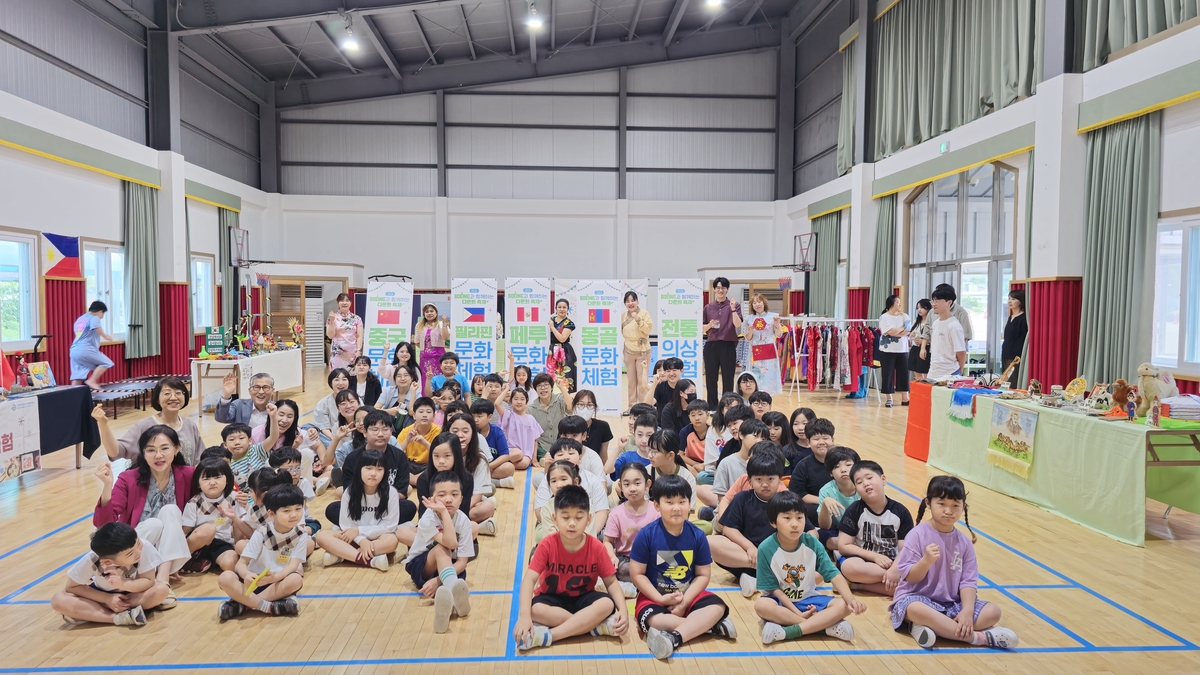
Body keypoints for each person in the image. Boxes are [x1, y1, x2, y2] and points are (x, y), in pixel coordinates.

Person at [890, 475, 1018, 650]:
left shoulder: (964, 542)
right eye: (941, 504)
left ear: (963, 507)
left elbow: (968, 581)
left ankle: (931, 626)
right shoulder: (917, 534)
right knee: (915, 609)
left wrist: (967, 611)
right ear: (928, 503)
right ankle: (977, 638)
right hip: (917, 599)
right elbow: (910, 578)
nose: (948, 511)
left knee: (993, 612)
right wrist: (926, 561)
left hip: (951, 605)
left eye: (955, 505)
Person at [629, 474, 736, 660]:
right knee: (654, 620)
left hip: (688, 595)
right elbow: (636, 574)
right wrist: (661, 599)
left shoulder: (697, 535)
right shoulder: (646, 535)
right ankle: (707, 627)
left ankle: (674, 638)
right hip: (654, 597)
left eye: (682, 501)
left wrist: (685, 601)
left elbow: (703, 575)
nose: (677, 508)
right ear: (657, 505)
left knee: (717, 606)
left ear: (689, 503)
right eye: (669, 502)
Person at [514, 485, 629, 650]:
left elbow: (611, 583)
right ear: (555, 519)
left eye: (579, 517)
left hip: (584, 598)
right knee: (535, 610)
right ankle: (591, 627)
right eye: (565, 517)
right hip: (551, 598)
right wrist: (524, 616)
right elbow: (529, 581)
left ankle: (551, 636)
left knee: (607, 604)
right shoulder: (547, 544)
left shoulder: (596, 547)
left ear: (588, 520)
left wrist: (623, 610)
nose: (572, 523)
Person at [92, 426, 196, 605]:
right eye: (151, 450)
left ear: (176, 449)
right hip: (136, 550)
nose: (158, 455)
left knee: (171, 511)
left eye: (165, 448)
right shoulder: (128, 478)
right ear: (142, 453)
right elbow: (103, 524)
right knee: (154, 524)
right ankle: (148, 581)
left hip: (170, 548)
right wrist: (107, 486)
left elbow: (208, 500)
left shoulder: (188, 474)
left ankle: (163, 580)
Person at [755, 491, 864, 644]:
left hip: (809, 599)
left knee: (844, 606)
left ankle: (788, 631)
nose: (795, 523)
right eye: (787, 518)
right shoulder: (766, 548)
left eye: (799, 517)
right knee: (762, 605)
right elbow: (774, 590)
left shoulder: (812, 543)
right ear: (773, 522)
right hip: (781, 603)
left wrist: (851, 599)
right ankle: (823, 627)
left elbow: (833, 573)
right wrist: (798, 614)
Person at [216, 484, 308, 620]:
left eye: (298, 509)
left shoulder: (301, 534)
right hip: (254, 582)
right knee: (225, 578)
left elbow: (293, 566)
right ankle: (268, 606)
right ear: (271, 514)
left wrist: (275, 578)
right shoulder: (262, 532)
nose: (294, 514)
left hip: (277, 582)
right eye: (286, 511)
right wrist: (246, 574)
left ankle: (245, 604)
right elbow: (241, 563)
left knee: (295, 579)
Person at [52, 522, 171, 627]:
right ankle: (118, 618)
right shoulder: (92, 559)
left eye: (138, 543)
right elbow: (71, 586)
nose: (138, 552)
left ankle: (97, 612)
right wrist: (107, 598)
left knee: (161, 590)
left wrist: (123, 584)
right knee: (58, 600)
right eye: (130, 553)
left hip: (133, 595)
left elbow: (148, 580)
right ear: (107, 562)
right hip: (101, 596)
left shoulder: (144, 547)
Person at [402, 470, 474, 634]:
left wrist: (437, 581)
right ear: (432, 497)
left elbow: (462, 562)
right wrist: (443, 512)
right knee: (443, 548)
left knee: (450, 566)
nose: (448, 499)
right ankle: (456, 602)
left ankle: (449, 607)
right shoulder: (428, 518)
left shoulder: (464, 521)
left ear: (461, 498)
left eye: (454, 494)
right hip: (420, 565)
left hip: (450, 569)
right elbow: (450, 542)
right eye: (442, 495)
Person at [707, 450, 785, 597]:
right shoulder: (742, 498)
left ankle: (754, 579)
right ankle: (767, 577)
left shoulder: (786, 500)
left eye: (770, 479)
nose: (765, 484)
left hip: (777, 556)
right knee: (710, 542)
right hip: (745, 555)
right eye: (759, 479)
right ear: (749, 480)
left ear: (779, 479)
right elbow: (729, 529)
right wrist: (749, 547)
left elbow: (809, 530)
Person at [328, 410, 417, 529]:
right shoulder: (352, 458)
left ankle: (363, 528)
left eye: (385, 429)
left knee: (409, 506)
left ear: (391, 432)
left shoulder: (399, 456)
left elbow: (401, 492)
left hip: (386, 506)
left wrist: (377, 501)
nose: (380, 434)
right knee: (332, 509)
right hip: (360, 506)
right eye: (374, 430)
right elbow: (349, 491)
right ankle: (376, 528)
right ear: (364, 432)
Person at [837, 460, 914, 596]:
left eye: (869, 478)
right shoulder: (854, 510)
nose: (866, 483)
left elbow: (905, 549)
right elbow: (844, 545)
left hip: (890, 562)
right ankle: (900, 579)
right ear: (856, 489)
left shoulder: (901, 512)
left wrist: (894, 569)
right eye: (859, 482)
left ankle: (857, 585)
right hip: (861, 560)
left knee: (907, 583)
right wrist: (875, 557)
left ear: (883, 479)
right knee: (849, 567)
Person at [317, 450, 402, 571]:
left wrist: (359, 531)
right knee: (322, 536)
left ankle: (344, 556)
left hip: (377, 538)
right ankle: (371, 561)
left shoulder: (391, 492)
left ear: (385, 472)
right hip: (353, 539)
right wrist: (361, 540)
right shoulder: (350, 492)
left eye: (379, 469)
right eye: (368, 468)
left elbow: (390, 526)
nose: (373, 473)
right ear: (359, 470)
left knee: (392, 541)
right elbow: (346, 524)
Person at [94, 376, 205, 466]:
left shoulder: (190, 426)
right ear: (157, 398)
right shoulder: (144, 426)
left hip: (183, 487)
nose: (173, 397)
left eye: (178, 393)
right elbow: (115, 452)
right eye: (167, 393)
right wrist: (104, 424)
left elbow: (201, 460)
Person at [180, 458, 250, 574]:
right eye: (206, 479)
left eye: (217, 477)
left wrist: (236, 546)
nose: (212, 482)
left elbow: (240, 526)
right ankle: (187, 559)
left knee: (230, 564)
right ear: (198, 483)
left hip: (222, 543)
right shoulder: (194, 503)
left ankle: (205, 562)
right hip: (199, 544)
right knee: (208, 529)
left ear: (227, 480)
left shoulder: (234, 498)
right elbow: (185, 530)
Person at [603, 463, 658, 598]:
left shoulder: (656, 510)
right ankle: (637, 586)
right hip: (626, 559)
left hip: (650, 558)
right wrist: (612, 556)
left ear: (647, 484)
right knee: (620, 568)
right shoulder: (616, 514)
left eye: (637, 483)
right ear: (621, 487)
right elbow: (607, 541)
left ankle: (630, 586)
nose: (632, 488)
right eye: (627, 484)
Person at [535, 439, 611, 534]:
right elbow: (540, 511)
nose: (566, 457)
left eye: (571, 453)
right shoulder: (548, 483)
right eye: (560, 454)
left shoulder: (592, 479)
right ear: (553, 459)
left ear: (580, 458)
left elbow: (601, 511)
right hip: (557, 534)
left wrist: (584, 536)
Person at [443, 413, 498, 534]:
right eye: (455, 431)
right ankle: (477, 528)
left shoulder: (480, 459)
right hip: (443, 503)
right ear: (447, 431)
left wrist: (457, 509)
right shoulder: (442, 455)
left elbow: (476, 496)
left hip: (467, 503)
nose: (460, 435)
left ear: (473, 433)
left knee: (487, 507)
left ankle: (457, 525)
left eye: (465, 431)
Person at [788, 418, 836, 539]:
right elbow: (798, 493)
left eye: (825, 438)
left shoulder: (843, 461)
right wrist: (825, 501)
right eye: (816, 439)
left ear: (832, 440)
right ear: (809, 442)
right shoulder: (803, 465)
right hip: (818, 507)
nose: (821, 442)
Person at [702, 277, 743, 405]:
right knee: (710, 378)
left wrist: (733, 309)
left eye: (723, 288)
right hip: (711, 345)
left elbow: (737, 324)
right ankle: (712, 406)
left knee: (728, 377)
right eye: (718, 287)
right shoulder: (708, 307)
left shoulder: (735, 305)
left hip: (728, 344)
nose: (720, 290)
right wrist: (709, 325)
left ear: (727, 289)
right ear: (714, 289)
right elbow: (702, 328)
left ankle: (727, 405)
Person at [225, 404, 282, 491]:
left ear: (250, 440)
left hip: (265, 495)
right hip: (243, 501)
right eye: (232, 439)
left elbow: (273, 437)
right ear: (225, 445)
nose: (237, 442)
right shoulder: (225, 462)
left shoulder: (256, 451)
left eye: (241, 438)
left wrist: (273, 417)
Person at [528, 373, 575, 462]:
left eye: (546, 385)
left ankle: (551, 459)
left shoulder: (559, 398)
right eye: (539, 386)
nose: (543, 388)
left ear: (551, 387)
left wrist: (562, 388)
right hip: (542, 446)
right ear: (536, 389)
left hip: (562, 442)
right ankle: (551, 458)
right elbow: (531, 434)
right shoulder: (531, 409)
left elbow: (570, 407)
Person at [69, 300, 114, 391]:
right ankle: (92, 380)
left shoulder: (80, 319)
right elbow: (96, 326)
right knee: (106, 362)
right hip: (85, 348)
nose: (102, 316)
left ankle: (72, 394)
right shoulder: (95, 317)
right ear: (100, 311)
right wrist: (105, 336)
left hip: (74, 350)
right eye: (103, 314)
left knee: (77, 375)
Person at [816, 447, 861, 537]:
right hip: (839, 531)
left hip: (863, 529)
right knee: (822, 534)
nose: (843, 470)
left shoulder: (864, 486)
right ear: (831, 473)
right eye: (836, 467)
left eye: (848, 465)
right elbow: (824, 526)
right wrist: (825, 504)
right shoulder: (826, 491)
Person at [535, 460, 582, 545]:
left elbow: (590, 538)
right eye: (553, 481)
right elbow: (550, 540)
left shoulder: (587, 506)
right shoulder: (547, 508)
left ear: (575, 482)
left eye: (563, 479)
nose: (559, 485)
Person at [743, 293, 783, 395]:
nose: (757, 304)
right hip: (755, 350)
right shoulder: (749, 318)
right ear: (752, 305)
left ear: (764, 303)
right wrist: (751, 330)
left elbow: (778, 335)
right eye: (754, 303)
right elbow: (748, 338)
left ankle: (767, 399)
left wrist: (777, 325)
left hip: (769, 349)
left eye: (759, 302)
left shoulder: (773, 316)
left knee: (768, 375)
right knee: (756, 374)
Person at [647, 429, 696, 511]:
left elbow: (687, 512)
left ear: (670, 455)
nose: (649, 455)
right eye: (649, 450)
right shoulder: (646, 473)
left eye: (654, 452)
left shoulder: (687, 478)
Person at [878, 294, 911, 407]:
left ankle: (905, 398)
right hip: (887, 351)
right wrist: (902, 328)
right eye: (897, 302)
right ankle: (889, 398)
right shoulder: (884, 317)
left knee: (904, 374)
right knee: (887, 374)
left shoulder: (905, 316)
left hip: (902, 349)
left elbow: (909, 331)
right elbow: (889, 332)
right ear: (891, 304)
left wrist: (896, 331)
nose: (900, 304)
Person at [495, 387, 543, 465]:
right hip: (512, 451)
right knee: (517, 454)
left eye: (522, 399)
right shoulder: (508, 415)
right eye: (516, 399)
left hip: (525, 453)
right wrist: (506, 389)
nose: (519, 402)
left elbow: (535, 440)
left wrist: (534, 459)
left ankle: (503, 463)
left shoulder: (531, 419)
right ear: (511, 401)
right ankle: (500, 460)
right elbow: (497, 404)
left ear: (526, 402)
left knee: (524, 463)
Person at [605, 413, 656, 487]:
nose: (644, 440)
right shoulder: (627, 457)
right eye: (640, 435)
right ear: (634, 434)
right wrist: (618, 447)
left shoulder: (659, 458)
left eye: (649, 435)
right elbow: (607, 469)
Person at [622, 291, 653, 408]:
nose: (630, 303)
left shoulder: (645, 313)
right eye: (627, 301)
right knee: (631, 381)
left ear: (638, 301)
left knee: (642, 382)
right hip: (628, 350)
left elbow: (647, 330)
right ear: (625, 303)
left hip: (643, 350)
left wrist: (638, 319)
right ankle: (631, 407)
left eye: (633, 300)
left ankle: (642, 407)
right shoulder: (623, 316)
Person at [929, 287, 967, 382]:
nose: (934, 304)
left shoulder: (954, 326)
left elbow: (961, 351)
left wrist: (960, 370)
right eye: (933, 301)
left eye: (937, 301)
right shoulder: (935, 323)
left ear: (949, 302)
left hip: (950, 373)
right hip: (933, 372)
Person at [399, 397, 441, 483]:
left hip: (428, 466)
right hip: (409, 465)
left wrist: (425, 443)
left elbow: (441, 454)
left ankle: (414, 481)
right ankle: (417, 481)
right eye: (421, 412)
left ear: (433, 416)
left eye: (428, 412)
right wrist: (407, 440)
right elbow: (396, 452)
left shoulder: (439, 432)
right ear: (414, 415)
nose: (424, 415)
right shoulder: (406, 431)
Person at [415, 303, 451, 395]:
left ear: (436, 313)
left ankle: (442, 397)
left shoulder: (441, 324)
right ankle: (426, 399)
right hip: (425, 358)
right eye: (427, 311)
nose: (429, 313)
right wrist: (427, 350)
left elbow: (446, 337)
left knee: (440, 378)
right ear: (424, 314)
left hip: (439, 358)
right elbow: (417, 341)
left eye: (431, 311)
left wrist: (445, 324)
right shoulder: (419, 325)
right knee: (426, 379)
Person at [573, 389, 613, 464]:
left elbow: (603, 457)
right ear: (575, 406)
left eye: (590, 405)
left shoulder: (602, 427)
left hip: (594, 470)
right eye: (581, 404)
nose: (585, 408)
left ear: (595, 408)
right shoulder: (566, 426)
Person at [326, 292, 363, 371]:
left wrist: (358, 350)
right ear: (338, 303)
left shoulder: (357, 318)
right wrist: (332, 321)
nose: (345, 303)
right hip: (338, 353)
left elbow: (359, 336)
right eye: (342, 300)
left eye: (347, 300)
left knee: (352, 377)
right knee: (337, 376)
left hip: (352, 352)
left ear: (351, 303)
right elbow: (330, 336)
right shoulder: (332, 317)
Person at [312, 368, 351, 443]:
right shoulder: (323, 403)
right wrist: (336, 440)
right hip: (331, 438)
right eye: (336, 380)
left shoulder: (356, 400)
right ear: (331, 383)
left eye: (344, 379)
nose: (340, 383)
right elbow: (324, 428)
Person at [548, 298, 579, 392]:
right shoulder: (551, 320)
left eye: (564, 307)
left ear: (568, 309)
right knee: (552, 376)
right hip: (553, 351)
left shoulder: (569, 323)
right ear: (555, 309)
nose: (562, 309)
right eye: (559, 307)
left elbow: (562, 338)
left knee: (567, 377)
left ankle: (568, 401)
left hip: (565, 352)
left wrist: (552, 327)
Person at [681, 400, 712, 479]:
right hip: (691, 464)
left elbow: (719, 455)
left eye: (700, 414)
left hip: (709, 463)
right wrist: (696, 464)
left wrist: (704, 465)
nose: (697, 418)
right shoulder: (685, 431)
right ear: (689, 417)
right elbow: (680, 455)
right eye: (693, 415)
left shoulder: (713, 432)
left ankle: (699, 478)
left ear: (708, 415)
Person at [1002, 290, 1027, 388]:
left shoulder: (1024, 318)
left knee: (1013, 381)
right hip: (1006, 352)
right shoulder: (1010, 317)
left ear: (1020, 301)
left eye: (1013, 299)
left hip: (1016, 355)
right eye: (1009, 298)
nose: (1010, 301)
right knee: (1005, 381)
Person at [908, 299, 933, 380]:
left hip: (927, 348)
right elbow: (912, 334)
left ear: (928, 308)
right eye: (918, 308)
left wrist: (925, 341)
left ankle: (926, 391)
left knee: (926, 374)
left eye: (922, 307)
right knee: (917, 374)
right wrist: (912, 335)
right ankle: (919, 391)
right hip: (915, 348)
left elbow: (935, 337)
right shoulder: (916, 321)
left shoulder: (932, 321)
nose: (919, 309)